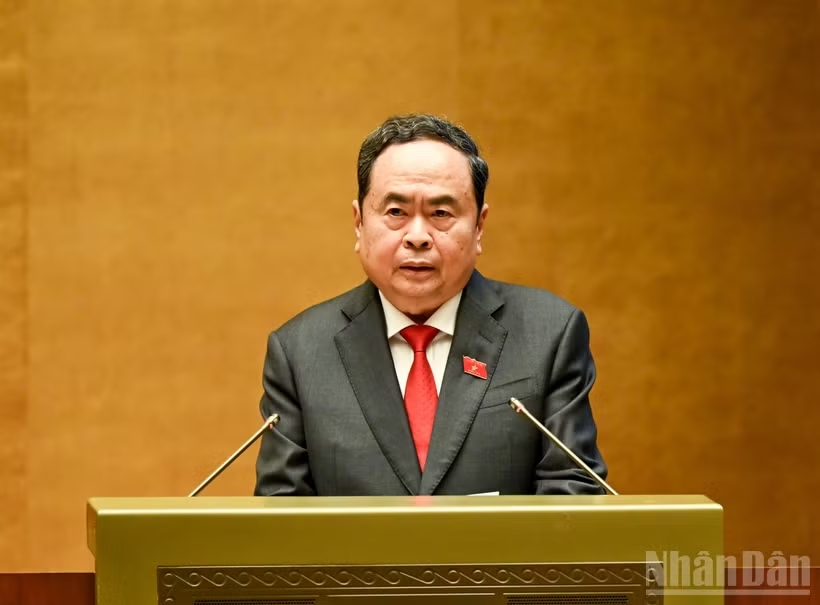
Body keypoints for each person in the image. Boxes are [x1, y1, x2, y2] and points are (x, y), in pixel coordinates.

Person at [253, 114, 608, 496]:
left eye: (441, 213)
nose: (418, 236)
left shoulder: (548, 334)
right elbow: (282, 513)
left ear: (479, 226)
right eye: (396, 212)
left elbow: (572, 493)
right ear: (358, 223)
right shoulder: (300, 352)